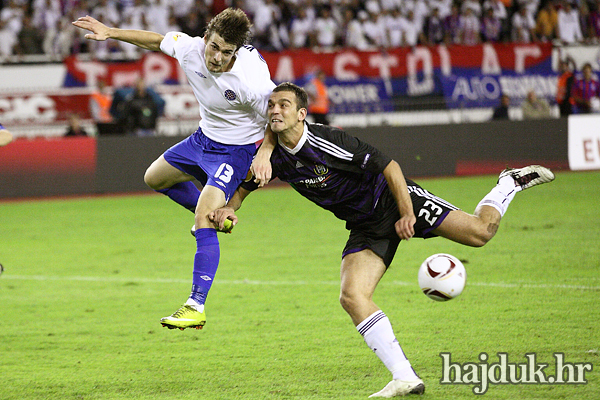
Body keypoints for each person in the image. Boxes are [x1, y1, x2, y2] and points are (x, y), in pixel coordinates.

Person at [210, 82, 555, 398]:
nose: (274, 110)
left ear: (302, 114)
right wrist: (229, 208)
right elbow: (246, 186)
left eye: (284, 105)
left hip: (395, 198)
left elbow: (389, 166)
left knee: (481, 233)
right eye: (271, 105)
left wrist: (407, 213)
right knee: (352, 295)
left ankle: (507, 183)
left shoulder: (328, 141)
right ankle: (404, 377)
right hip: (365, 224)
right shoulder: (272, 157)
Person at [73, 8, 277, 330]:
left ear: (236, 52)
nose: (218, 58)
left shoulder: (251, 83)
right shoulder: (191, 48)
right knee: (154, 177)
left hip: (235, 151)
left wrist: (264, 151)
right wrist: (110, 32)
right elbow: (156, 42)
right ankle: (212, 216)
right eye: (215, 47)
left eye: (227, 53)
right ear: (206, 38)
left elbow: (277, 118)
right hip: (201, 139)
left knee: (202, 218)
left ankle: (195, 305)